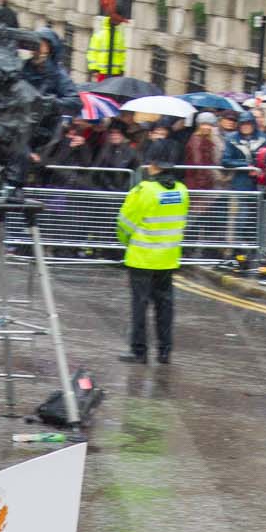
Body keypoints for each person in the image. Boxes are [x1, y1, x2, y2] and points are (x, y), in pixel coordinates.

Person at [115, 140, 187, 364]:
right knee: (165, 307)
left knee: (140, 306)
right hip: (168, 258)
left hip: (142, 259)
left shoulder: (143, 191)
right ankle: (165, 351)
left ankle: (139, 352)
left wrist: (127, 242)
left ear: (152, 165)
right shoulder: (182, 191)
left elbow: (124, 224)